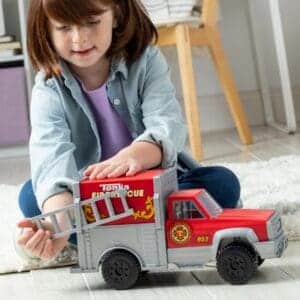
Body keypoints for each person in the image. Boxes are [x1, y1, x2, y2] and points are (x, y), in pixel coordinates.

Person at [17, 0, 240, 262]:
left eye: (92, 22)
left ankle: (108, 236)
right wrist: (57, 225)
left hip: (153, 191)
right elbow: (51, 156)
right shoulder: (48, 88)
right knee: (32, 196)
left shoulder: (146, 60)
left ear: (117, 14)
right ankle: (100, 234)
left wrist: (135, 154)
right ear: (45, 30)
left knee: (222, 182)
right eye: (64, 27)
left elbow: (167, 124)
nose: (80, 38)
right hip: (92, 202)